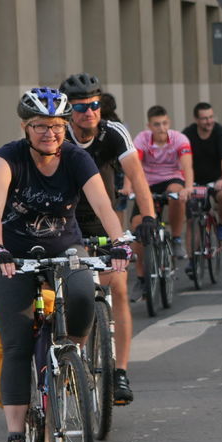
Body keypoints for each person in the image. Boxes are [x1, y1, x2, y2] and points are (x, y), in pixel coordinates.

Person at [0, 88, 131, 442]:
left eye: (57, 126)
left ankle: (68, 364)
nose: (50, 133)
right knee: (15, 342)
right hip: (10, 256)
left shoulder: (77, 158)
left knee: (83, 295)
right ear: (25, 128)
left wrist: (119, 242)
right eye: (40, 126)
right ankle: (16, 438)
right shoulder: (7, 158)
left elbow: (102, 203)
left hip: (63, 248)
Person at [60, 73, 155, 406]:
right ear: (68, 110)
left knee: (118, 287)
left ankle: (120, 372)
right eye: (81, 107)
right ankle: (74, 359)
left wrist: (149, 218)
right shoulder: (59, 135)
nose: (90, 113)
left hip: (104, 218)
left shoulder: (113, 132)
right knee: (75, 290)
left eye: (95, 105)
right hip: (67, 221)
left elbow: (137, 177)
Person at [134, 105, 194, 258]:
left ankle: (176, 239)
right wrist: (128, 188)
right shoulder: (142, 138)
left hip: (171, 178)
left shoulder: (179, 138)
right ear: (149, 126)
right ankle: (143, 275)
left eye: (164, 123)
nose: (162, 128)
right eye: (157, 124)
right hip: (148, 182)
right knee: (136, 222)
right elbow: (134, 167)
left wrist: (188, 188)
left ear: (169, 122)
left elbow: (187, 166)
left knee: (176, 194)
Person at [182, 102, 222, 241]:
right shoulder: (187, 134)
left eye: (211, 117)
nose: (209, 121)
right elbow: (181, 159)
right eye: (205, 118)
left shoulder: (220, 132)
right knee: (192, 220)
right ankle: (193, 261)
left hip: (217, 180)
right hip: (194, 182)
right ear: (196, 120)